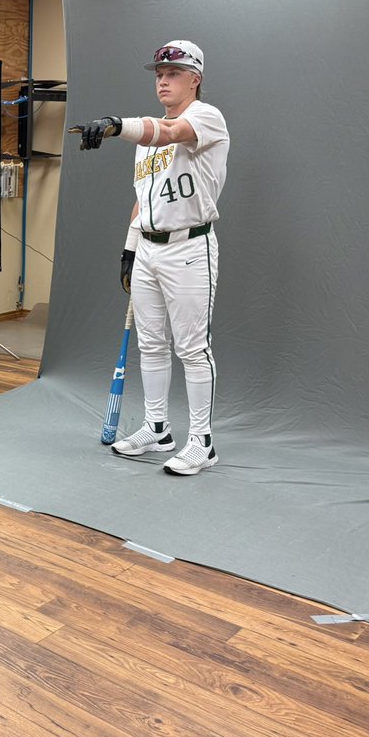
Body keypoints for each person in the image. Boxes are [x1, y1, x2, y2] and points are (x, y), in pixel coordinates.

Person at [73, 40, 229, 475]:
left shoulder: (205, 117)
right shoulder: (145, 139)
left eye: (173, 72)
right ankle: (157, 428)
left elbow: (172, 133)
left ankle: (202, 442)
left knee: (193, 349)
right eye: (159, 73)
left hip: (189, 246)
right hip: (148, 249)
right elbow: (142, 199)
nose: (163, 79)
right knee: (152, 344)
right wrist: (129, 249)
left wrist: (116, 126)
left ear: (194, 78)